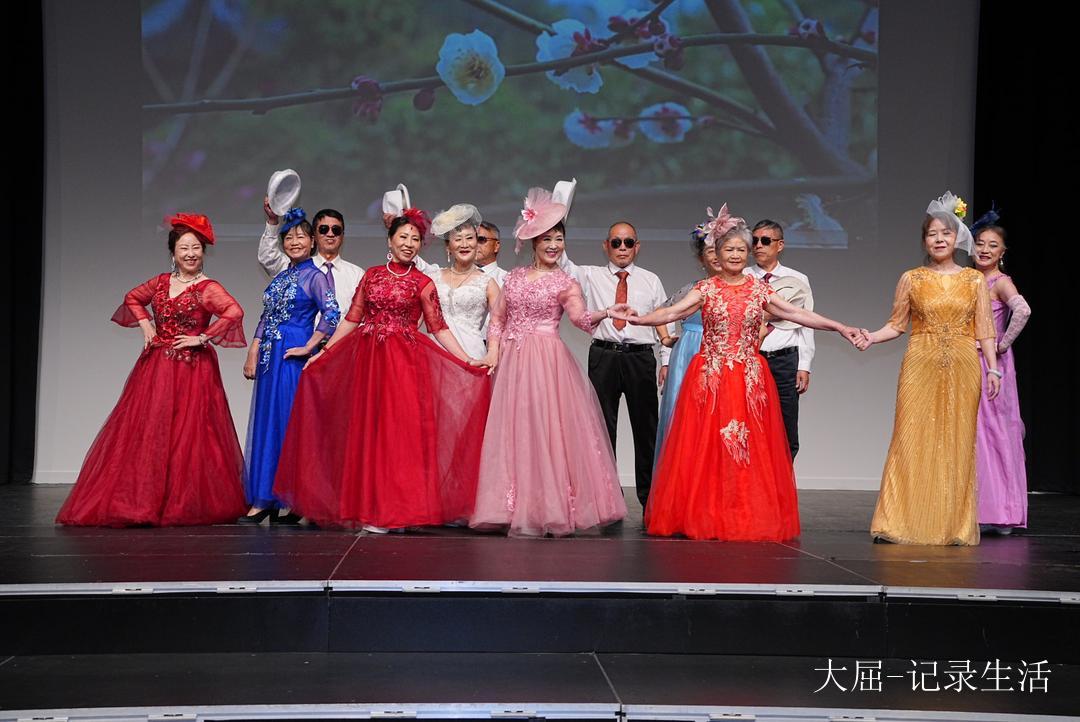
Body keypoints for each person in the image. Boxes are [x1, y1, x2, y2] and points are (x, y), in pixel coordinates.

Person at [609, 205, 861, 541]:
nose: (735, 255)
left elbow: (798, 314)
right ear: (717, 252)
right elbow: (671, 312)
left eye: (741, 249)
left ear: (748, 253)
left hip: (748, 379)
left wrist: (840, 327)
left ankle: (742, 514)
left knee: (746, 449)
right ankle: (707, 514)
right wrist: (639, 319)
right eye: (729, 249)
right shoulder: (707, 289)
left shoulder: (759, 290)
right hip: (710, 377)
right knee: (707, 449)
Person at [272, 206, 491, 532]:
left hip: (405, 364)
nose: (409, 244)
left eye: (415, 239)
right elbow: (351, 319)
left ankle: (400, 510)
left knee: (400, 434)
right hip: (369, 361)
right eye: (403, 237)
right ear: (390, 240)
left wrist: (464, 360)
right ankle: (372, 508)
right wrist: (322, 353)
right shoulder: (372, 275)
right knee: (369, 433)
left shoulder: (423, 283)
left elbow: (439, 328)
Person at [56, 214, 247, 526]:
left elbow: (234, 311)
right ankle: (143, 500)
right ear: (173, 252)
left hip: (192, 370)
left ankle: (181, 502)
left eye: (196, 248)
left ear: (203, 252)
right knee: (150, 432)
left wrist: (202, 337)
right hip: (156, 368)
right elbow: (132, 298)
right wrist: (146, 326)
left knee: (189, 434)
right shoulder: (160, 282)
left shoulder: (207, 288)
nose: (190, 254)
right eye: (184, 248)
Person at [471, 186, 627, 536]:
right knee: (513, 430)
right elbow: (498, 318)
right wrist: (493, 351)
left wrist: (606, 312)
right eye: (547, 239)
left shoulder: (565, 282)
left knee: (544, 430)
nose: (554, 245)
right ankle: (510, 506)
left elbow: (581, 319)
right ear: (534, 243)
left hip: (546, 361)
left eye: (559, 239)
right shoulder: (513, 277)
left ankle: (550, 507)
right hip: (512, 362)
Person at [857, 192, 1000, 545]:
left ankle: (952, 526)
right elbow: (896, 325)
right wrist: (871, 337)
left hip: (963, 363)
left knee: (957, 441)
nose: (939, 239)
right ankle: (897, 522)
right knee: (910, 436)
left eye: (946, 233)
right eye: (932, 234)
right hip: (920, 360)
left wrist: (993, 369)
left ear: (957, 238)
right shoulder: (911, 278)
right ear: (924, 241)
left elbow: (985, 329)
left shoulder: (974, 280)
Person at [558, 212, 671, 511]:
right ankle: (607, 498)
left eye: (628, 242)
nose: (622, 248)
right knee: (601, 429)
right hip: (604, 355)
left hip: (640, 358)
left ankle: (650, 498)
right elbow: (563, 264)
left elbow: (663, 319)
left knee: (646, 429)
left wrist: (665, 360)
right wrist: (555, 220)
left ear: (637, 246)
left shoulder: (650, 279)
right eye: (616, 242)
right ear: (605, 246)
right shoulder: (591, 275)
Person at [240, 208, 340, 524]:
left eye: (301, 236)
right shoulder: (283, 275)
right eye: (289, 237)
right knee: (268, 420)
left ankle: (294, 499)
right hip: (270, 356)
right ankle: (267, 497)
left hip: (291, 356)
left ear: (312, 242)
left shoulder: (316, 276)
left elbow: (332, 313)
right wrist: (253, 349)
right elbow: (267, 316)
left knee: (288, 424)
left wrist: (310, 345)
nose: (294, 242)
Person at [971, 210, 1031, 533]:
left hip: (992, 366)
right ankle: (979, 510)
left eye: (992, 245)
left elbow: (1022, 309)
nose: (984, 250)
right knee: (975, 434)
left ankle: (1001, 512)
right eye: (980, 243)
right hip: (971, 361)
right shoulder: (969, 279)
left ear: (1002, 252)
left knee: (994, 433)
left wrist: (1002, 344)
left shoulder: (1000, 281)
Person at [653, 222, 722, 469]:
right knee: (685, 415)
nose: (716, 256)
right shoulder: (692, 289)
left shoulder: (739, 289)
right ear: (701, 258)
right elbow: (661, 312)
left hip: (721, 353)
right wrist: (665, 339)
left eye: (720, 249)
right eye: (710, 251)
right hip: (689, 354)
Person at [745, 219, 815, 459]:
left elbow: (806, 323)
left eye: (765, 241)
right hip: (750, 359)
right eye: (754, 240)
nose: (758, 246)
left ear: (780, 245)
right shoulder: (742, 277)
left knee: (786, 430)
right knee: (749, 425)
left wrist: (804, 365)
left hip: (785, 361)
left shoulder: (798, 279)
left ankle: (781, 480)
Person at [423, 204, 500, 359]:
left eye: (470, 238)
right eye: (458, 239)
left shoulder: (488, 283)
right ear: (448, 247)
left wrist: (492, 352)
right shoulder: (433, 278)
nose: (464, 244)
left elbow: (498, 322)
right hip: (435, 354)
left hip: (472, 354)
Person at [258, 200, 363, 313]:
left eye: (336, 230)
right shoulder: (296, 268)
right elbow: (268, 257)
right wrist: (273, 221)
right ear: (314, 236)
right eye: (323, 229)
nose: (330, 234)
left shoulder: (357, 274)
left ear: (343, 235)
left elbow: (364, 314)